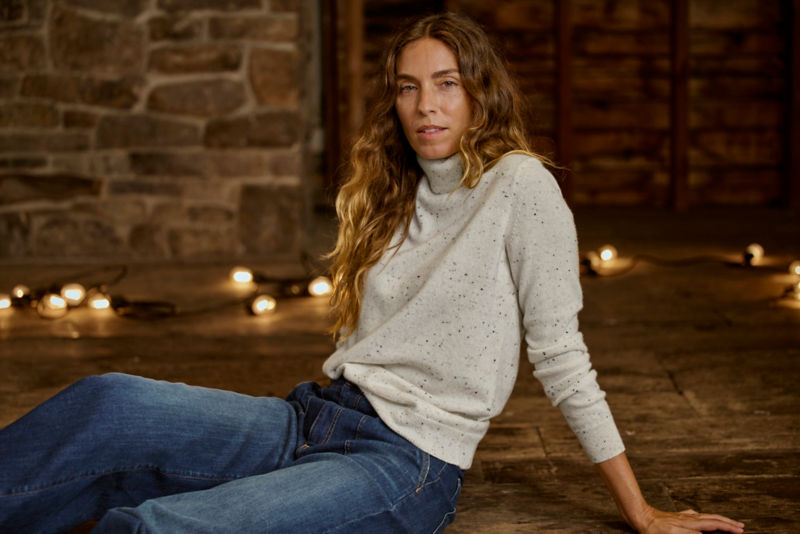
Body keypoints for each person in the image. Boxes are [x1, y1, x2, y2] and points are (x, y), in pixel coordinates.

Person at [0, 12, 743, 534]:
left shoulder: (521, 186)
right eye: (409, 87)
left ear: (480, 90)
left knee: (162, 525)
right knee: (107, 404)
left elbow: (561, 355)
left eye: (447, 83)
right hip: (314, 418)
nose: (428, 105)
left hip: (406, 464)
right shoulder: (389, 187)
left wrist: (638, 510)